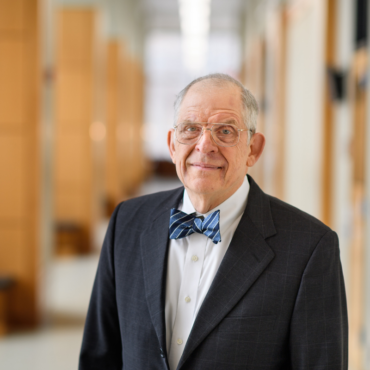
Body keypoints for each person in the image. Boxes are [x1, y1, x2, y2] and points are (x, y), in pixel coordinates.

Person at [79, 73, 348, 370]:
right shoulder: (127, 223)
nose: (205, 145)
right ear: (172, 145)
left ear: (253, 149)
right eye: (190, 129)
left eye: (225, 131)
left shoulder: (310, 248)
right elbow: (99, 355)